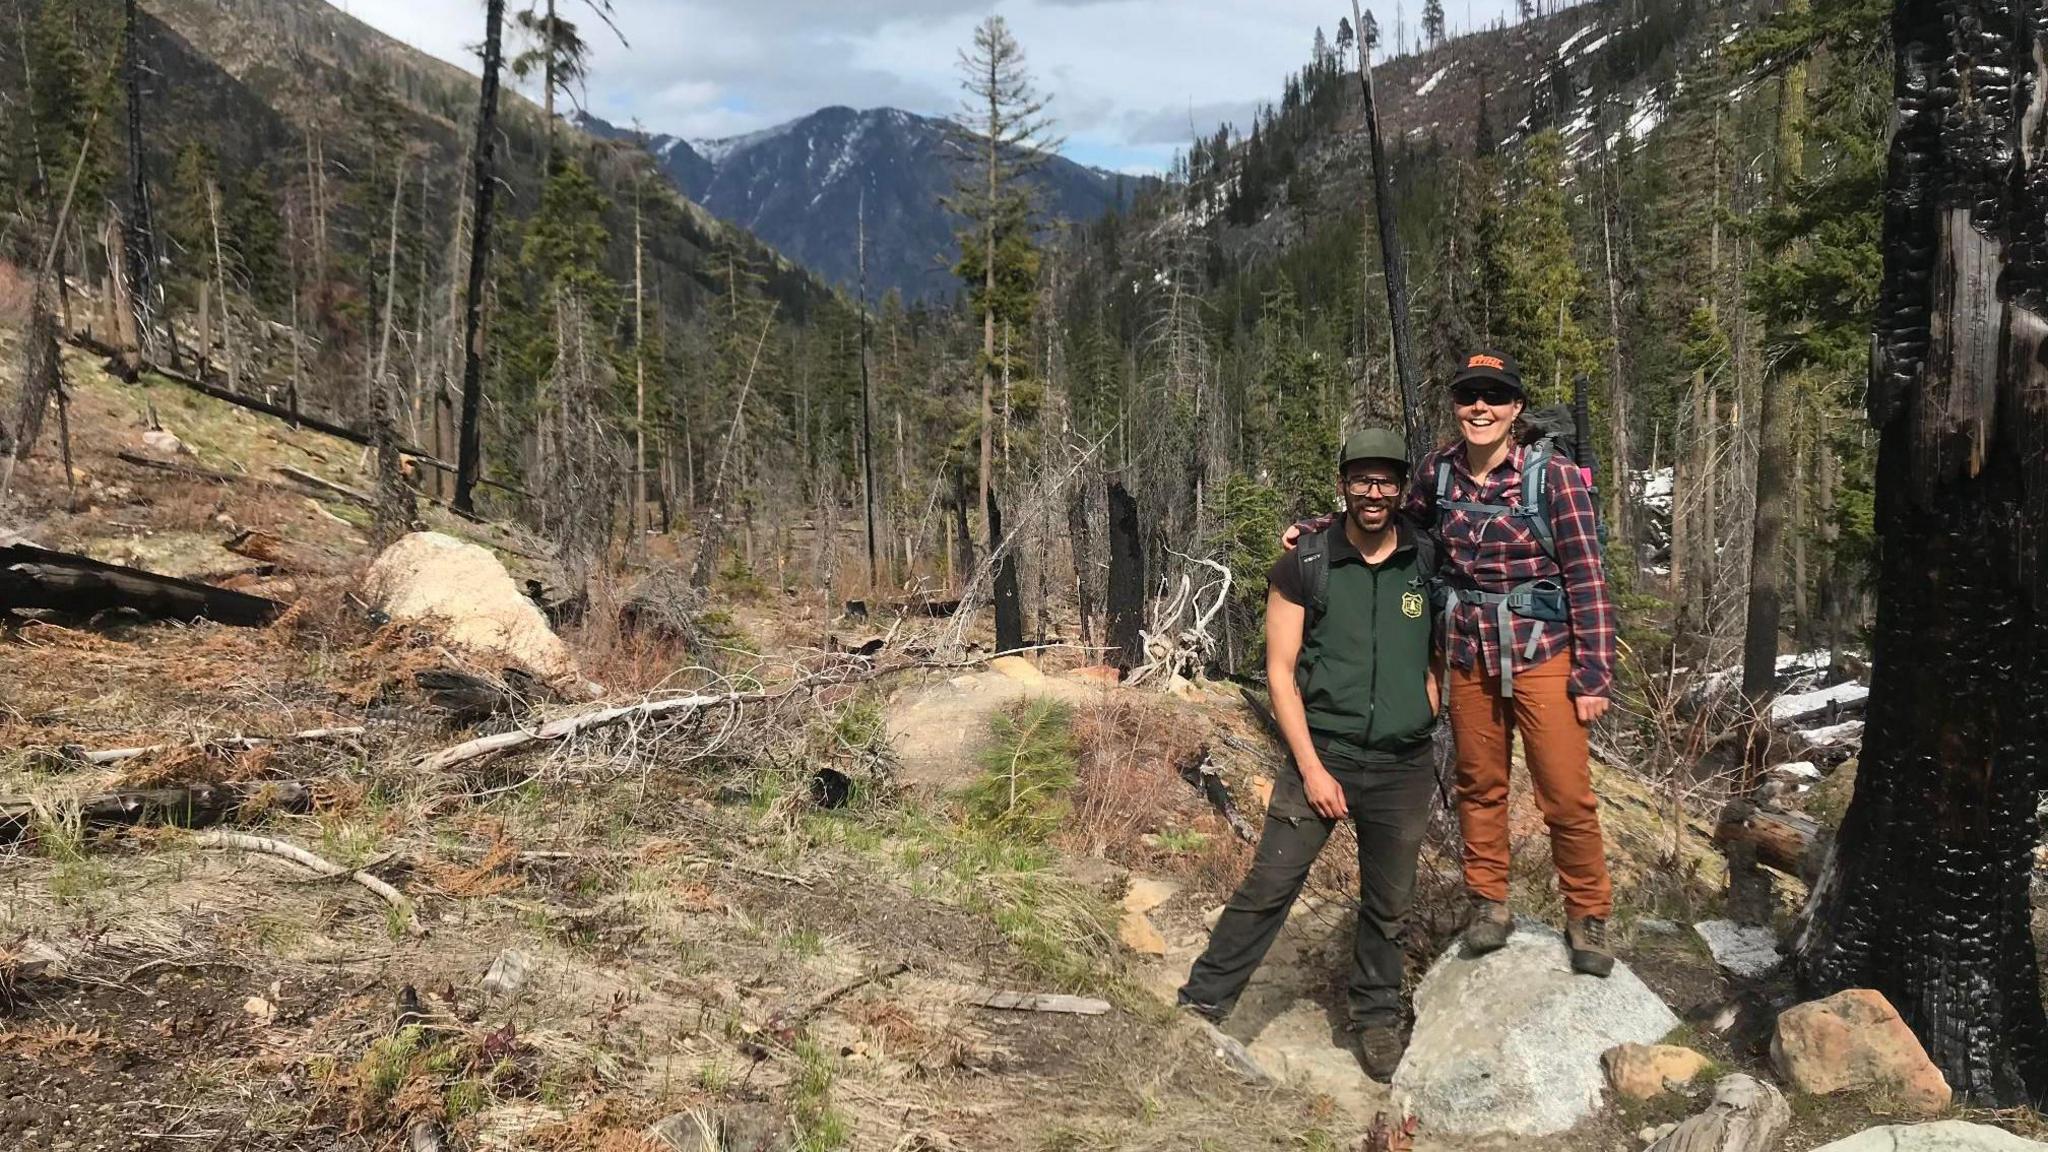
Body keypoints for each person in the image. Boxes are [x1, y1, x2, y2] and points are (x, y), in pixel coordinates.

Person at [1285, 350, 1619, 977]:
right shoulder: (1439, 473)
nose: (1480, 408)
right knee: (1479, 786)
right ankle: (1489, 903)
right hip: (1467, 652)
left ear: (1516, 409)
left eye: (1494, 397)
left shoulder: (1556, 478)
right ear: (1457, 406)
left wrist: (1594, 672)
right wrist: (1320, 527)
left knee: (1566, 793)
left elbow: (1587, 575)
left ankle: (1588, 915)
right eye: (1469, 397)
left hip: (1543, 651)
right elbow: (1387, 520)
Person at [1179, 427, 1441, 1081]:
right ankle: (1201, 1003)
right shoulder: (1308, 562)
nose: (1373, 491)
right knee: (1269, 884)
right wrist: (1315, 769)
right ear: (1344, 484)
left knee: (1389, 903)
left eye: (1385, 479)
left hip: (1403, 764)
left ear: (1401, 485)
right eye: (1361, 478)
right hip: (1322, 753)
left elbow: (1438, 653)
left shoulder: (1427, 558)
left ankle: (1376, 1021)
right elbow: (1279, 671)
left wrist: (1428, 706)